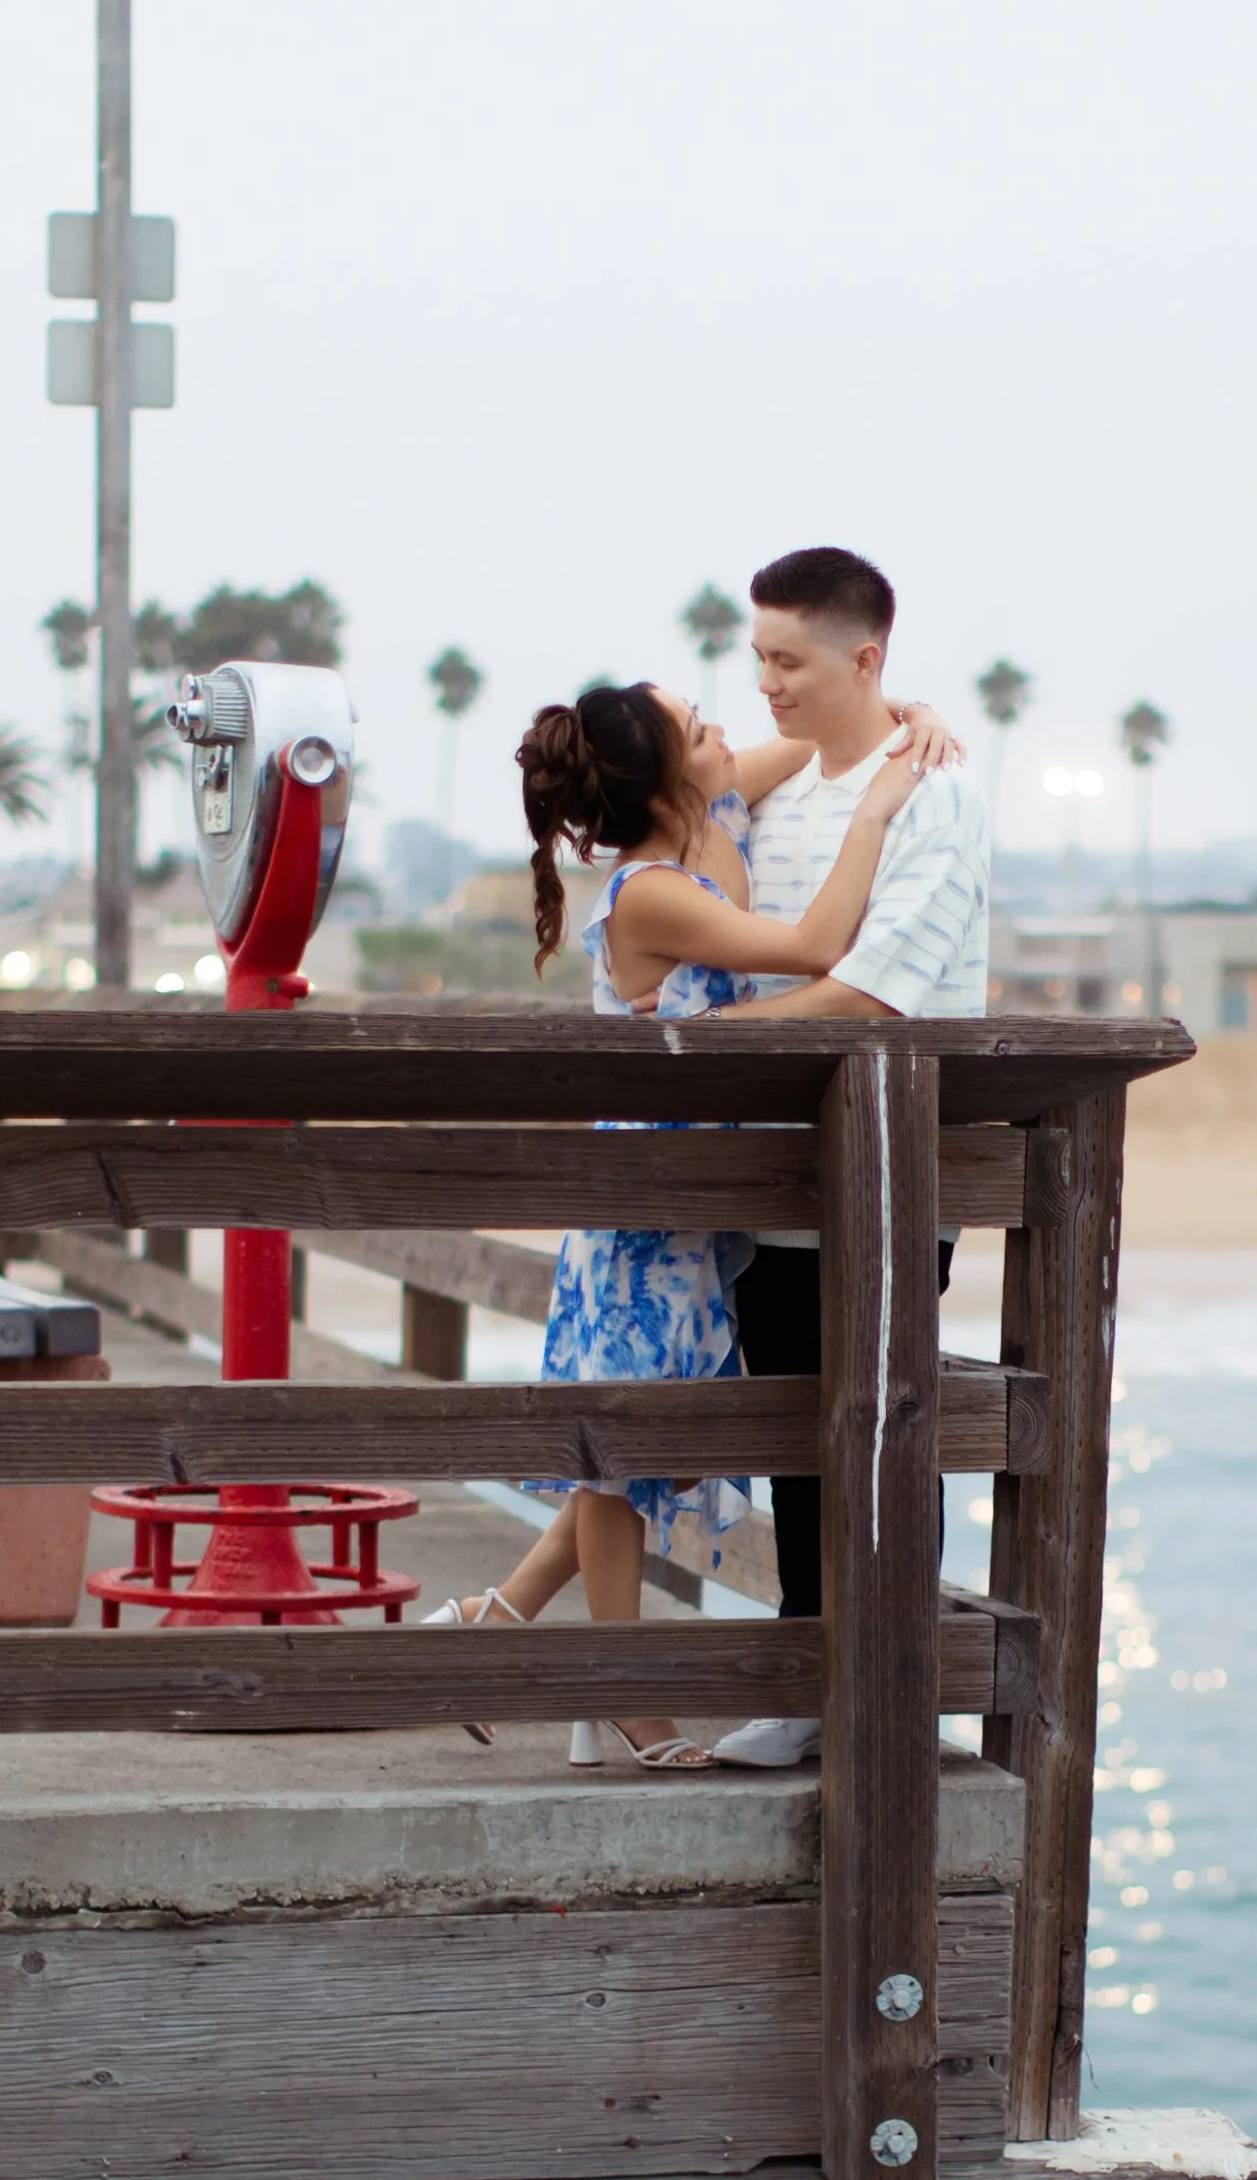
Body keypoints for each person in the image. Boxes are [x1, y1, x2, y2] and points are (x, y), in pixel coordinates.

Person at [426, 674, 942, 1766]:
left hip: (702, 1208)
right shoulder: (649, 891)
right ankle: (624, 1692)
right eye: (694, 724)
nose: (719, 726)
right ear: (664, 776)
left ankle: (500, 1619)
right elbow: (816, 947)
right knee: (623, 1456)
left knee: (644, 1452)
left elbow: (816, 738)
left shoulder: (712, 812)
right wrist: (877, 812)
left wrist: (910, 717)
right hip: (646, 1215)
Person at [706, 545, 993, 1768]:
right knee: (792, 1438)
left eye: (788, 660)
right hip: (767, 1168)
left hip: (886, 1167)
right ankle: (807, 1686)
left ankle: (889, 1695)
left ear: (863, 657)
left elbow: (878, 993)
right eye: (757, 657)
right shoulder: (776, 790)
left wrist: (702, 1042)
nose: (765, 681)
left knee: (883, 1430)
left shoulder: (934, 793)